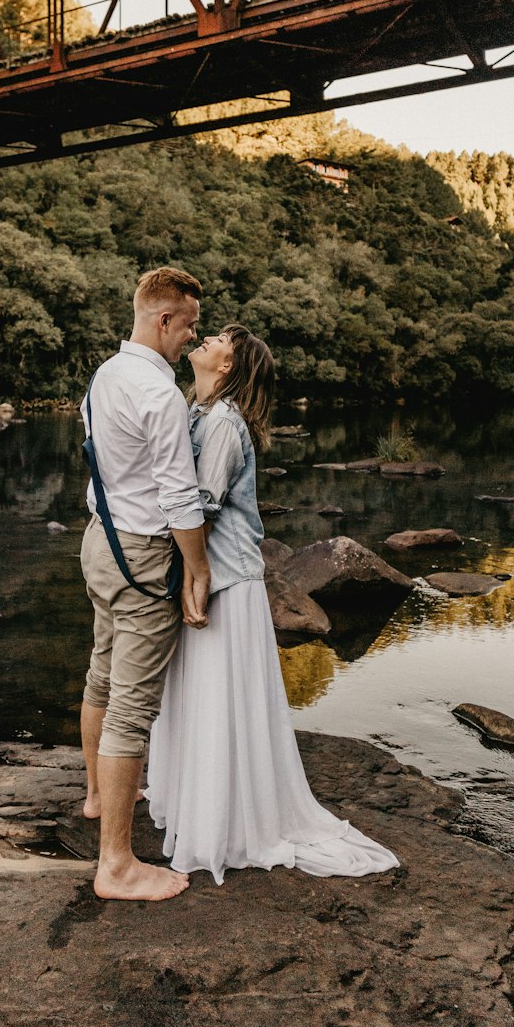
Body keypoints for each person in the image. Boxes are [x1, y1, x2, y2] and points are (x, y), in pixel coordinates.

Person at [146, 324, 399, 886]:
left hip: (223, 580)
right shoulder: (199, 412)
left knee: (216, 698)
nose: (204, 341)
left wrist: (194, 575)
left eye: (215, 341)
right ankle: (201, 805)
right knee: (199, 694)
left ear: (230, 368)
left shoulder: (221, 426)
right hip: (205, 574)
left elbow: (201, 508)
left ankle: (224, 823)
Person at [79, 266, 212, 901]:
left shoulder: (107, 374)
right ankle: (117, 866)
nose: (191, 338)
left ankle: (96, 797)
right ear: (164, 319)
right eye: (189, 325)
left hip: (99, 541)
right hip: (142, 555)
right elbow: (179, 496)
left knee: (101, 673)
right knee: (131, 707)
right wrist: (200, 567)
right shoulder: (159, 395)